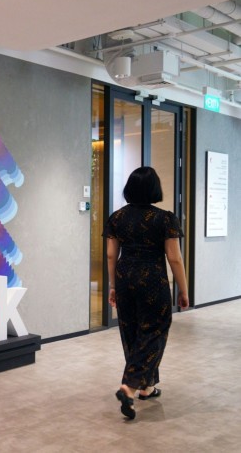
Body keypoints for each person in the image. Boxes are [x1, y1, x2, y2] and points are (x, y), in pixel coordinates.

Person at [103, 166, 189, 420]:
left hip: (124, 277)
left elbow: (110, 254)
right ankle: (129, 386)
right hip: (152, 280)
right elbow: (174, 258)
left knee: (132, 332)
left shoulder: (117, 217)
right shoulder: (165, 218)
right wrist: (183, 290)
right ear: (155, 189)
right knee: (154, 330)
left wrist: (112, 286)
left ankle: (146, 387)